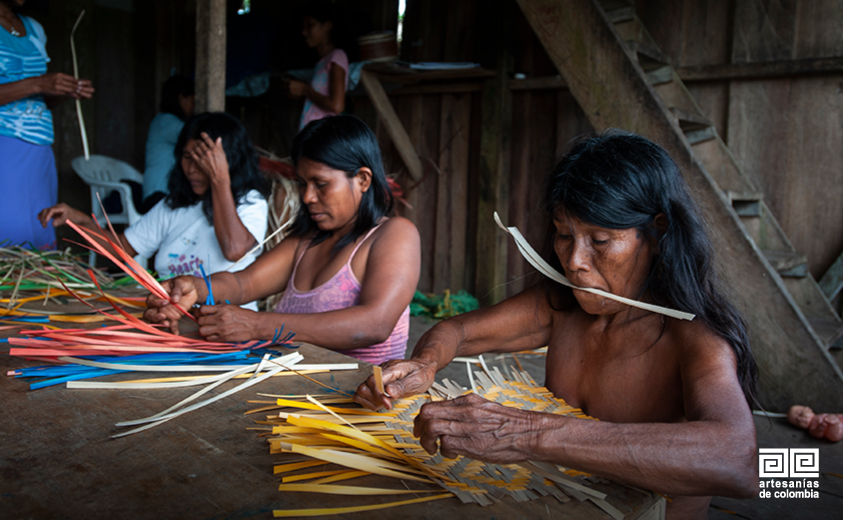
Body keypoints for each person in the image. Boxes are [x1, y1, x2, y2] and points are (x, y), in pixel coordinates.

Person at [355, 133, 760, 519]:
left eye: (600, 240)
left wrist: (525, 433)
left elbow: (739, 458)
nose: (575, 261)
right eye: (565, 235)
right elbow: (458, 331)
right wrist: (426, 362)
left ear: (656, 232)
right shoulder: (563, 307)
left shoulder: (694, 337)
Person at [143, 115, 420, 365]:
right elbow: (242, 283)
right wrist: (194, 287)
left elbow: (374, 324)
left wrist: (258, 325)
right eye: (302, 183)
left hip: (358, 406)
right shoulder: (305, 242)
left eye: (320, 184)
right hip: (293, 397)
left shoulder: (394, 234)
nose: (308, 197)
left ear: (362, 179)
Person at [38, 112, 269, 310]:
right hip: (171, 314)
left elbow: (234, 250)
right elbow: (124, 248)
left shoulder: (250, 202)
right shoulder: (175, 204)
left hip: (226, 322)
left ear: (226, 161)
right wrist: (77, 220)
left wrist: (220, 180)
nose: (191, 169)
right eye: (187, 157)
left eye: (203, 160)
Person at [0, 0, 94, 248]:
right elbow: (35, 86)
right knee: (9, 234)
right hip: (5, 146)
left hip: (39, 150)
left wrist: (64, 91)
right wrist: (39, 83)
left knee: (39, 228)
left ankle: (31, 287)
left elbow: (37, 100)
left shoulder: (34, 29)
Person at [286, 2, 348, 131]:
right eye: (303, 27)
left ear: (327, 26)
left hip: (323, 136)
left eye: (310, 25)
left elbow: (336, 106)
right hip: (313, 135)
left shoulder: (337, 56)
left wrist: (305, 90)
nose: (304, 32)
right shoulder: (321, 63)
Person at [142, 74, 195, 213]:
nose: (194, 106)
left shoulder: (164, 121)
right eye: (192, 100)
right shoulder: (166, 122)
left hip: (164, 194)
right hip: (158, 195)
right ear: (181, 98)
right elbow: (194, 137)